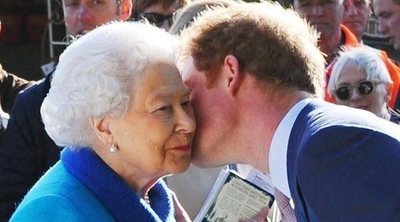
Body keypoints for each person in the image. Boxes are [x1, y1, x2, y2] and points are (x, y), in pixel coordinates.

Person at [179, 2, 400, 221]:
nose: (181, 115)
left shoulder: (329, 148)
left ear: (230, 74)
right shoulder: (315, 148)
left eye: (187, 92)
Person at [10, 21, 194, 221]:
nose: (188, 123)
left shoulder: (149, 194)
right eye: (163, 108)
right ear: (105, 128)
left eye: (186, 102)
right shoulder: (54, 212)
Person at [0, 0, 132, 220]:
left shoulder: (160, 91)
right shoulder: (35, 105)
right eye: (72, 5)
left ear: (125, 8)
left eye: (97, 3)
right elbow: (11, 205)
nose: (83, 15)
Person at [328, 47, 400, 122]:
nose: (355, 97)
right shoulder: (325, 132)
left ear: (388, 91)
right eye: (344, 92)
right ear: (334, 100)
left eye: (364, 87)